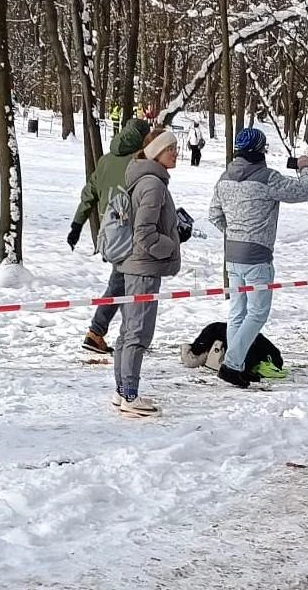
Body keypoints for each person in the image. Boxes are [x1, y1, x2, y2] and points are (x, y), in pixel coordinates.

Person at [208, 128, 308, 388]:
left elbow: (214, 214)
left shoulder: (224, 178)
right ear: (260, 151)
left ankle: (238, 364)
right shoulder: (268, 179)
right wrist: (305, 166)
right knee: (257, 314)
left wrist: (234, 232)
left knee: (237, 313)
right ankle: (232, 364)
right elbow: (303, 191)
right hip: (257, 256)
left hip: (232, 254)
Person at [111, 129, 181, 417]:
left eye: (177, 147)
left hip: (135, 265)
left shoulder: (145, 179)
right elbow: (144, 233)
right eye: (171, 149)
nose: (176, 153)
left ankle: (121, 391)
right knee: (137, 332)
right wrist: (170, 246)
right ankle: (129, 394)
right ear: (155, 153)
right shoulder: (152, 184)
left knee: (128, 331)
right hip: (143, 267)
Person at [68, 117, 152, 354]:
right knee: (121, 284)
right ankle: (97, 332)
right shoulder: (139, 162)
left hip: (110, 233)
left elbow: (89, 194)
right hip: (132, 233)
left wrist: (77, 224)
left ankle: (126, 334)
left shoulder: (105, 160)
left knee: (126, 283)